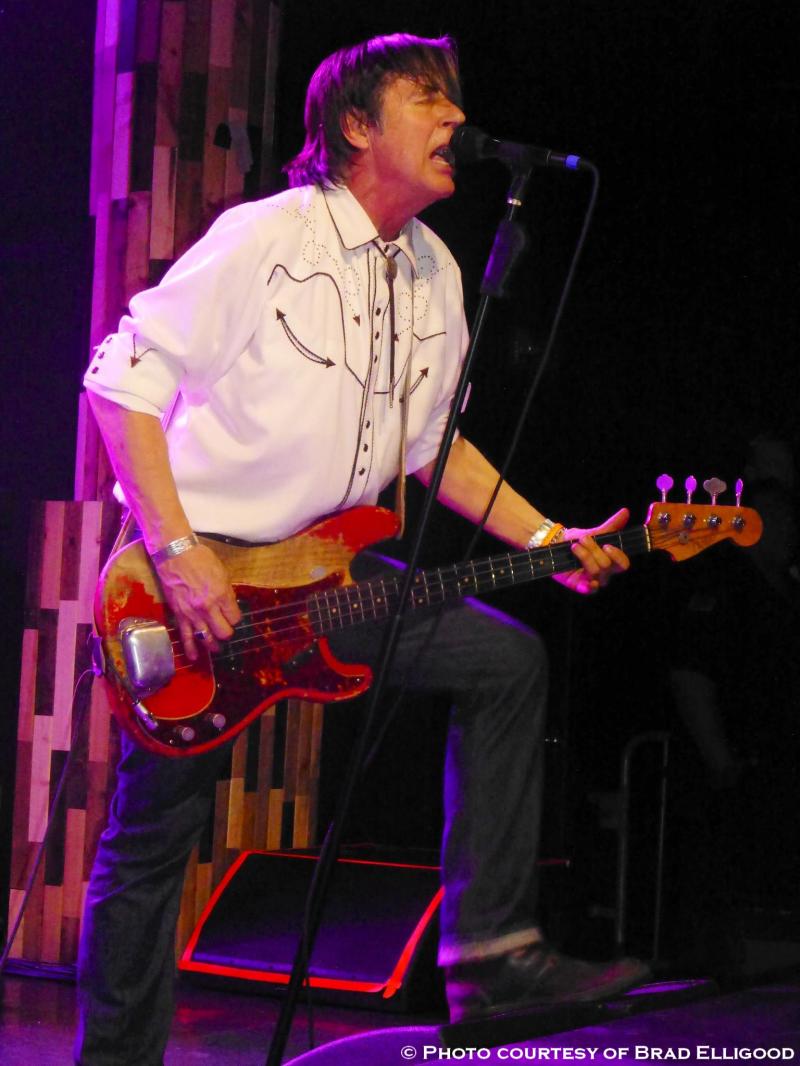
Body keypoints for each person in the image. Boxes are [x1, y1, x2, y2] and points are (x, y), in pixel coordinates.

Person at [76, 32, 648, 1064]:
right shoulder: (265, 236)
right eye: (426, 97)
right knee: (155, 832)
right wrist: (177, 549)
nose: (453, 118)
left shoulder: (434, 271)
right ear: (354, 125)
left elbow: (432, 449)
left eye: (451, 98)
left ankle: (489, 957)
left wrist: (547, 537)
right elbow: (120, 384)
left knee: (505, 659)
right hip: (200, 576)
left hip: (328, 570)